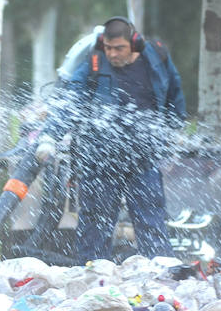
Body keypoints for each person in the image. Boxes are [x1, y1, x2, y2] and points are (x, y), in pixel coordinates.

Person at [35, 16, 186, 263]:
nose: (113, 54)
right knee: (96, 225)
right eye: (108, 48)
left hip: (143, 160)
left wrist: (173, 132)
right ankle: (92, 277)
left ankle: (160, 277)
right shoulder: (94, 64)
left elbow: (174, 96)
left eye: (119, 48)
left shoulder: (157, 59)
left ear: (134, 44)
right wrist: (49, 137)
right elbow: (71, 102)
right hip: (100, 162)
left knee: (152, 222)